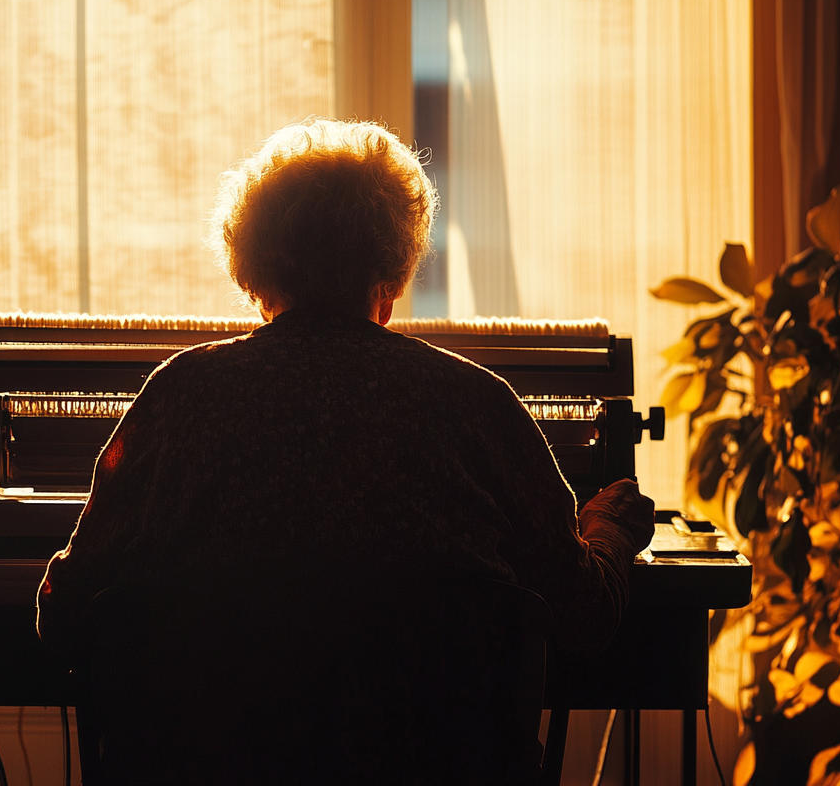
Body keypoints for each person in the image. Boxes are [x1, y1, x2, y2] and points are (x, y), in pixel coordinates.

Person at [37, 119, 654, 661]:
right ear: (393, 277)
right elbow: (582, 618)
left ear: (253, 277)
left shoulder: (180, 399)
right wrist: (610, 528)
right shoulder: (479, 406)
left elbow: (65, 613)